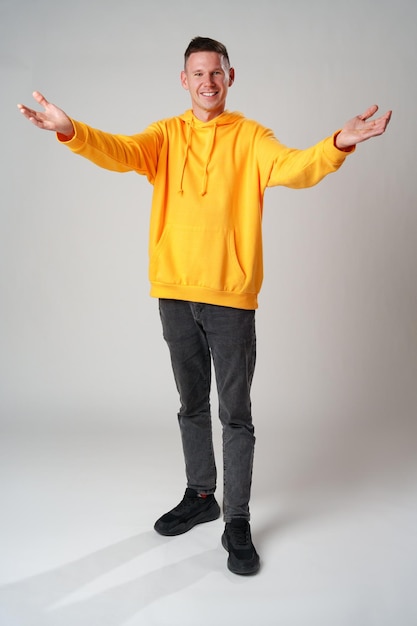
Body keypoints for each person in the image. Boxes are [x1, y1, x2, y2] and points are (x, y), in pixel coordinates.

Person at [18, 36, 391, 576]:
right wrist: (70, 130)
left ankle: (235, 521)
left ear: (230, 77)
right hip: (174, 293)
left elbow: (295, 167)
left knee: (234, 414)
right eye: (198, 73)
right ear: (184, 80)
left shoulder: (251, 137)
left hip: (229, 298)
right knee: (191, 403)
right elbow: (119, 150)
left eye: (216, 73)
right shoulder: (165, 136)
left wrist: (338, 141)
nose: (208, 82)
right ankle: (201, 496)